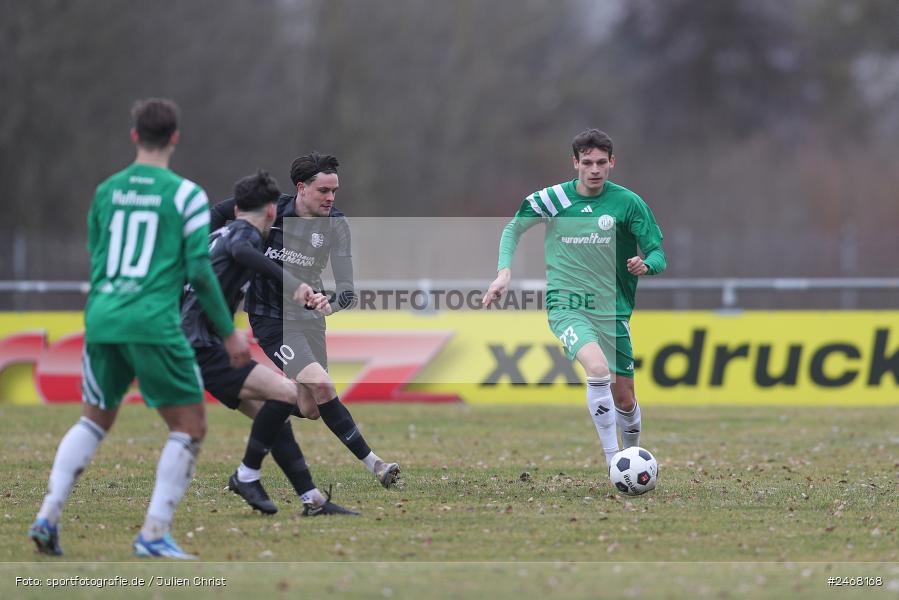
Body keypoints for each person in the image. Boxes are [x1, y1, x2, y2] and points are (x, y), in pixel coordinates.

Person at [28, 98, 250, 559]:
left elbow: (97, 254)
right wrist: (229, 332)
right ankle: (153, 533)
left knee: (94, 418)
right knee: (189, 425)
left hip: (103, 316)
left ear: (134, 136)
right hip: (152, 321)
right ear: (175, 138)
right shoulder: (186, 195)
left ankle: (48, 515)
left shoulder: (107, 191)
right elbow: (199, 269)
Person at [209, 152, 400, 493]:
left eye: (335, 191)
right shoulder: (271, 211)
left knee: (310, 407)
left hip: (309, 318)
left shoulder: (336, 225)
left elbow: (347, 290)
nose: (331, 198)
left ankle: (250, 392)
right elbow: (220, 213)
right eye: (324, 190)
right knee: (323, 385)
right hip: (271, 319)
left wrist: (331, 303)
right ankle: (377, 465)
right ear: (301, 188)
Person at [484, 129, 667, 467]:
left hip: (612, 310)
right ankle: (614, 463)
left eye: (601, 162)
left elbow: (658, 253)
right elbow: (513, 229)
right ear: (575, 163)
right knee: (597, 368)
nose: (594, 169)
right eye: (587, 163)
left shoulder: (628, 203)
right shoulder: (552, 199)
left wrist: (646, 265)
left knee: (625, 399)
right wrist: (503, 272)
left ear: (612, 162)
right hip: (566, 305)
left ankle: (632, 457)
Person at [181, 169, 356, 516]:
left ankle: (312, 500)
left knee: (272, 415)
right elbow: (243, 252)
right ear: (273, 211)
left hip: (188, 344)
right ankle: (246, 475)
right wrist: (293, 283)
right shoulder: (244, 233)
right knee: (286, 395)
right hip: (202, 345)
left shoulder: (214, 236)